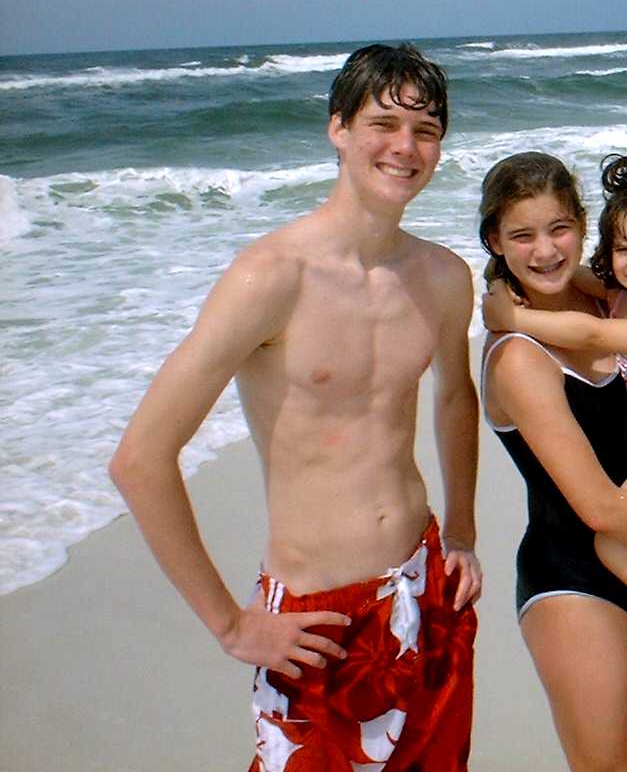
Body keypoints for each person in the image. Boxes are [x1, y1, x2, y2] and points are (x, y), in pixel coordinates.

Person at [109, 43, 482, 771]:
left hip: (422, 585)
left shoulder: (441, 275)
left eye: (426, 128)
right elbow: (139, 459)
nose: (405, 146)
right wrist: (230, 625)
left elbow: (455, 395)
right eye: (384, 122)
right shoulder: (269, 278)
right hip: (318, 619)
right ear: (337, 128)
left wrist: (462, 530)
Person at [477, 151, 627, 771]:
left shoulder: (603, 301)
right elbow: (602, 508)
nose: (545, 250)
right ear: (495, 242)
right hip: (573, 576)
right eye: (522, 236)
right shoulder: (520, 357)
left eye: (559, 229)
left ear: (586, 229)